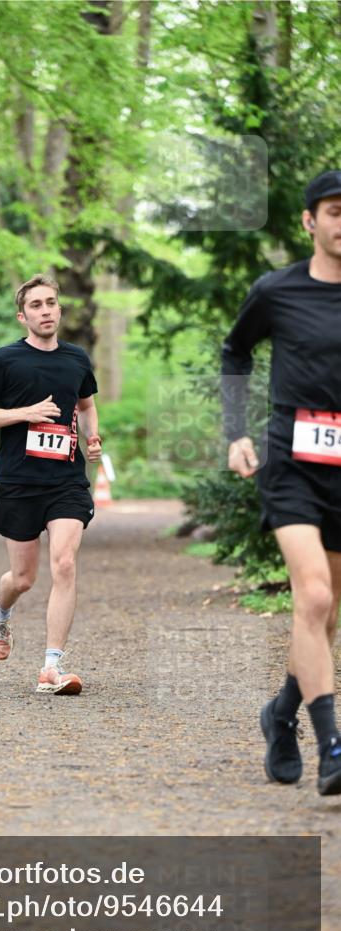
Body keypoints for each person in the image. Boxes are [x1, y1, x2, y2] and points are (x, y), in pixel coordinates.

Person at [222, 169, 341, 796]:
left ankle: (281, 713)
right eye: (334, 210)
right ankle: (332, 746)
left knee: (324, 616)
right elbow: (234, 352)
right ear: (309, 221)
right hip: (292, 458)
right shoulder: (278, 290)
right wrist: (236, 433)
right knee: (314, 596)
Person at [0, 274, 102, 695]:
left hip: (65, 480)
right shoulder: (4, 360)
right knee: (22, 578)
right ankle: (1, 609)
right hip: (18, 480)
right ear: (22, 315)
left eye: (51, 303)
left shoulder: (77, 359)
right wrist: (24, 413)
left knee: (64, 563)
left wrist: (93, 437)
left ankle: (51, 667)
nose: (45, 311)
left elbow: (86, 404)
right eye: (37, 306)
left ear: (60, 309)